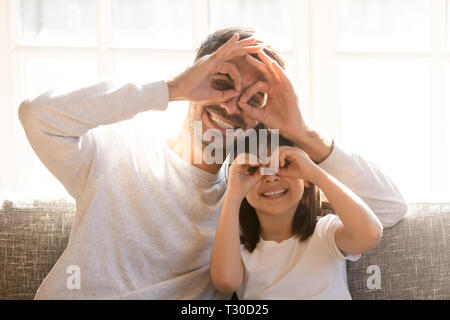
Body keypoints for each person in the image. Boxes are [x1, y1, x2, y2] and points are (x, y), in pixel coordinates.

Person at [18, 27, 408, 299]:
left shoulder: (252, 194)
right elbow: (38, 115)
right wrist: (171, 89)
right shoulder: (118, 151)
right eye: (221, 82)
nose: (231, 105)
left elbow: (389, 208)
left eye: (254, 99)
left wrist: (302, 132)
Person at [210, 134, 383, 299]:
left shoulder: (325, 232)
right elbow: (226, 281)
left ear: (305, 179)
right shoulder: (240, 251)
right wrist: (233, 195)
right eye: (255, 169)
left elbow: (370, 233)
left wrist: (315, 173)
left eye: (282, 164)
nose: (270, 177)